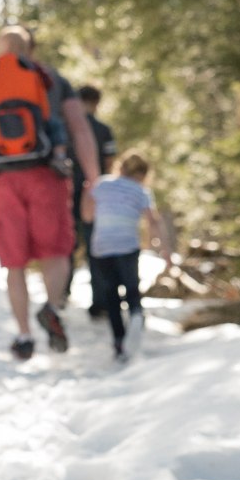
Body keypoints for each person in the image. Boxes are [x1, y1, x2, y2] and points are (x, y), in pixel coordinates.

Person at [0, 25, 99, 361]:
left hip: (4, 182)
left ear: (1, 50)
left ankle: (24, 336)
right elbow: (80, 128)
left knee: (15, 263)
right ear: (30, 49)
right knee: (55, 252)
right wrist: (94, 180)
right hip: (47, 175)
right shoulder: (52, 80)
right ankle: (52, 307)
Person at [83, 149, 172, 361]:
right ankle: (136, 316)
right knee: (132, 288)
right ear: (142, 174)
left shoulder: (102, 184)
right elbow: (153, 221)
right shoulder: (140, 191)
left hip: (102, 246)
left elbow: (87, 216)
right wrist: (164, 250)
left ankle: (119, 344)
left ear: (120, 167)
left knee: (111, 295)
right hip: (127, 245)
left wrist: (87, 194)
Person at [67, 84, 117, 315]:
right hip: (94, 193)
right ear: (96, 102)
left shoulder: (67, 128)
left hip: (66, 192)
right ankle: (100, 301)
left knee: (66, 243)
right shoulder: (103, 130)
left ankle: (61, 295)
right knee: (95, 246)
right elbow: (109, 163)